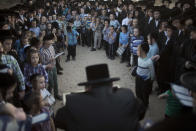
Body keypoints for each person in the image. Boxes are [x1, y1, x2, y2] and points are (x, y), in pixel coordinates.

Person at [55, 64, 142, 131]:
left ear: (87, 87)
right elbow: (141, 111)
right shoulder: (127, 95)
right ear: (112, 84)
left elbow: (58, 120)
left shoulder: (73, 102)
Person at [40, 34, 62, 100]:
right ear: (44, 42)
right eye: (47, 44)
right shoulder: (42, 51)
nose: (49, 45)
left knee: (55, 82)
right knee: (51, 84)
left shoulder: (51, 47)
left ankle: (56, 94)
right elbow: (43, 62)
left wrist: (57, 56)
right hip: (48, 69)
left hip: (54, 66)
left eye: (50, 44)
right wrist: (49, 60)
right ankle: (48, 97)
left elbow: (54, 54)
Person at [135, 43, 155, 108]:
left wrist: (151, 80)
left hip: (145, 80)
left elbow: (152, 72)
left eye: (138, 50)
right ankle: (139, 103)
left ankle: (145, 105)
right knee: (138, 91)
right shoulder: (138, 58)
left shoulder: (149, 62)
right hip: (138, 78)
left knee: (145, 93)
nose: (136, 51)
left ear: (143, 51)